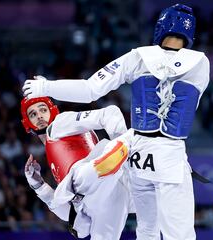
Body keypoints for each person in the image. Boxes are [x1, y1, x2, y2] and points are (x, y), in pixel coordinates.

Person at [22, 4, 210, 239]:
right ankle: (109, 155)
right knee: (180, 236)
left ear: (160, 27)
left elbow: (90, 89)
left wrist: (46, 86)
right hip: (170, 155)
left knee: (147, 231)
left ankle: (114, 152)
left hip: (139, 153)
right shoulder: (202, 64)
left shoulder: (138, 57)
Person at [20, 96, 134, 240]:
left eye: (43, 110)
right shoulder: (51, 152)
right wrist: (39, 185)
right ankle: (123, 150)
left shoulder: (60, 123)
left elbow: (109, 113)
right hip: (106, 199)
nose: (40, 116)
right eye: (33, 114)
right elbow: (65, 212)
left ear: (52, 111)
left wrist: (124, 145)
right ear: (27, 124)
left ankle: (127, 142)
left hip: (92, 177)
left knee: (78, 179)